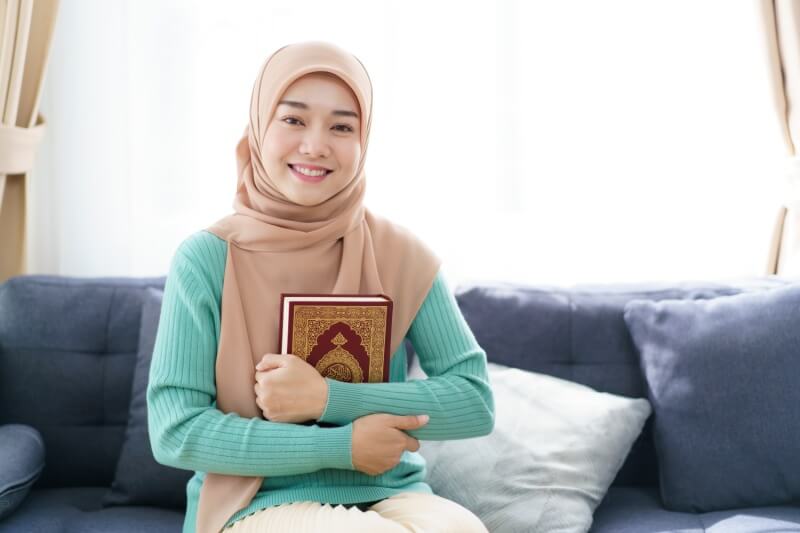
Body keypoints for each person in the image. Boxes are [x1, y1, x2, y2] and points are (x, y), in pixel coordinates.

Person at [146, 40, 495, 533]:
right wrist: (340, 446)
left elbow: (474, 402)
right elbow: (175, 431)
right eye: (293, 120)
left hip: (392, 492)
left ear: (364, 139)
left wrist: (330, 399)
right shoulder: (208, 259)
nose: (315, 145)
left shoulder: (403, 255)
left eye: (341, 126)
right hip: (252, 502)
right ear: (259, 127)